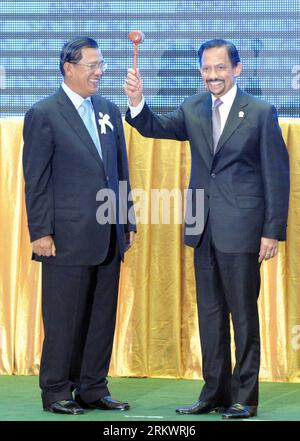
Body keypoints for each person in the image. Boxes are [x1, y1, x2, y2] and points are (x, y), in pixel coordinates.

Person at [124, 39, 289, 419]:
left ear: (237, 69)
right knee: (211, 315)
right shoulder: (193, 107)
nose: (212, 76)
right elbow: (154, 127)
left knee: (243, 316)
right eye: (206, 69)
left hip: (244, 230)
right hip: (202, 227)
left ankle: (245, 398)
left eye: (220, 68)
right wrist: (137, 100)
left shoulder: (261, 112)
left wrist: (271, 231)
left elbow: (276, 176)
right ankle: (214, 393)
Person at [23, 37, 136, 415]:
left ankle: (92, 388)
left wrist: (127, 219)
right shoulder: (44, 113)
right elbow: (35, 179)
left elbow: (119, 169)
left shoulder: (107, 109)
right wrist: (40, 231)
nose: (99, 72)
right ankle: (56, 390)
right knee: (64, 318)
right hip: (65, 238)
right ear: (68, 67)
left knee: (101, 317)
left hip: (107, 234)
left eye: (101, 64)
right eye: (91, 65)